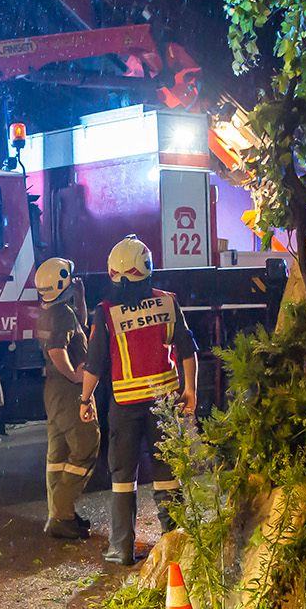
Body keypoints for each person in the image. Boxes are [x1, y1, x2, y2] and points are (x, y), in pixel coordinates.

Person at [79, 235, 198, 566]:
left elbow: (95, 363)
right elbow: (187, 350)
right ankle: (175, 546)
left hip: (126, 405)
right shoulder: (167, 302)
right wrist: (190, 390)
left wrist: (85, 399)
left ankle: (121, 548)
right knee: (167, 470)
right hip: (165, 404)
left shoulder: (106, 312)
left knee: (122, 474)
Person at [33, 257, 99, 539]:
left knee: (58, 454)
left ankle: (60, 513)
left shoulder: (53, 311)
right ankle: (62, 512)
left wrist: (81, 297)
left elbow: (78, 328)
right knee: (86, 444)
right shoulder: (60, 313)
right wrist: (74, 376)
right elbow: (57, 351)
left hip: (54, 392)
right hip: (69, 391)